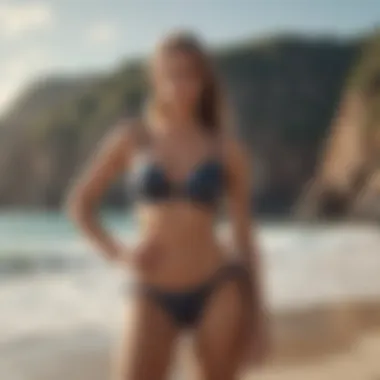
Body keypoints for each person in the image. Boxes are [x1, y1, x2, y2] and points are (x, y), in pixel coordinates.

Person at [66, 31, 268, 380]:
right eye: (169, 74)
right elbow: (80, 205)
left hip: (218, 285)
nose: (179, 84)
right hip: (152, 290)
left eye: (188, 73)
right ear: (155, 79)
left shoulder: (225, 149)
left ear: (203, 79)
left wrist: (260, 320)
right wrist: (120, 254)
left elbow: (244, 237)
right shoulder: (133, 138)